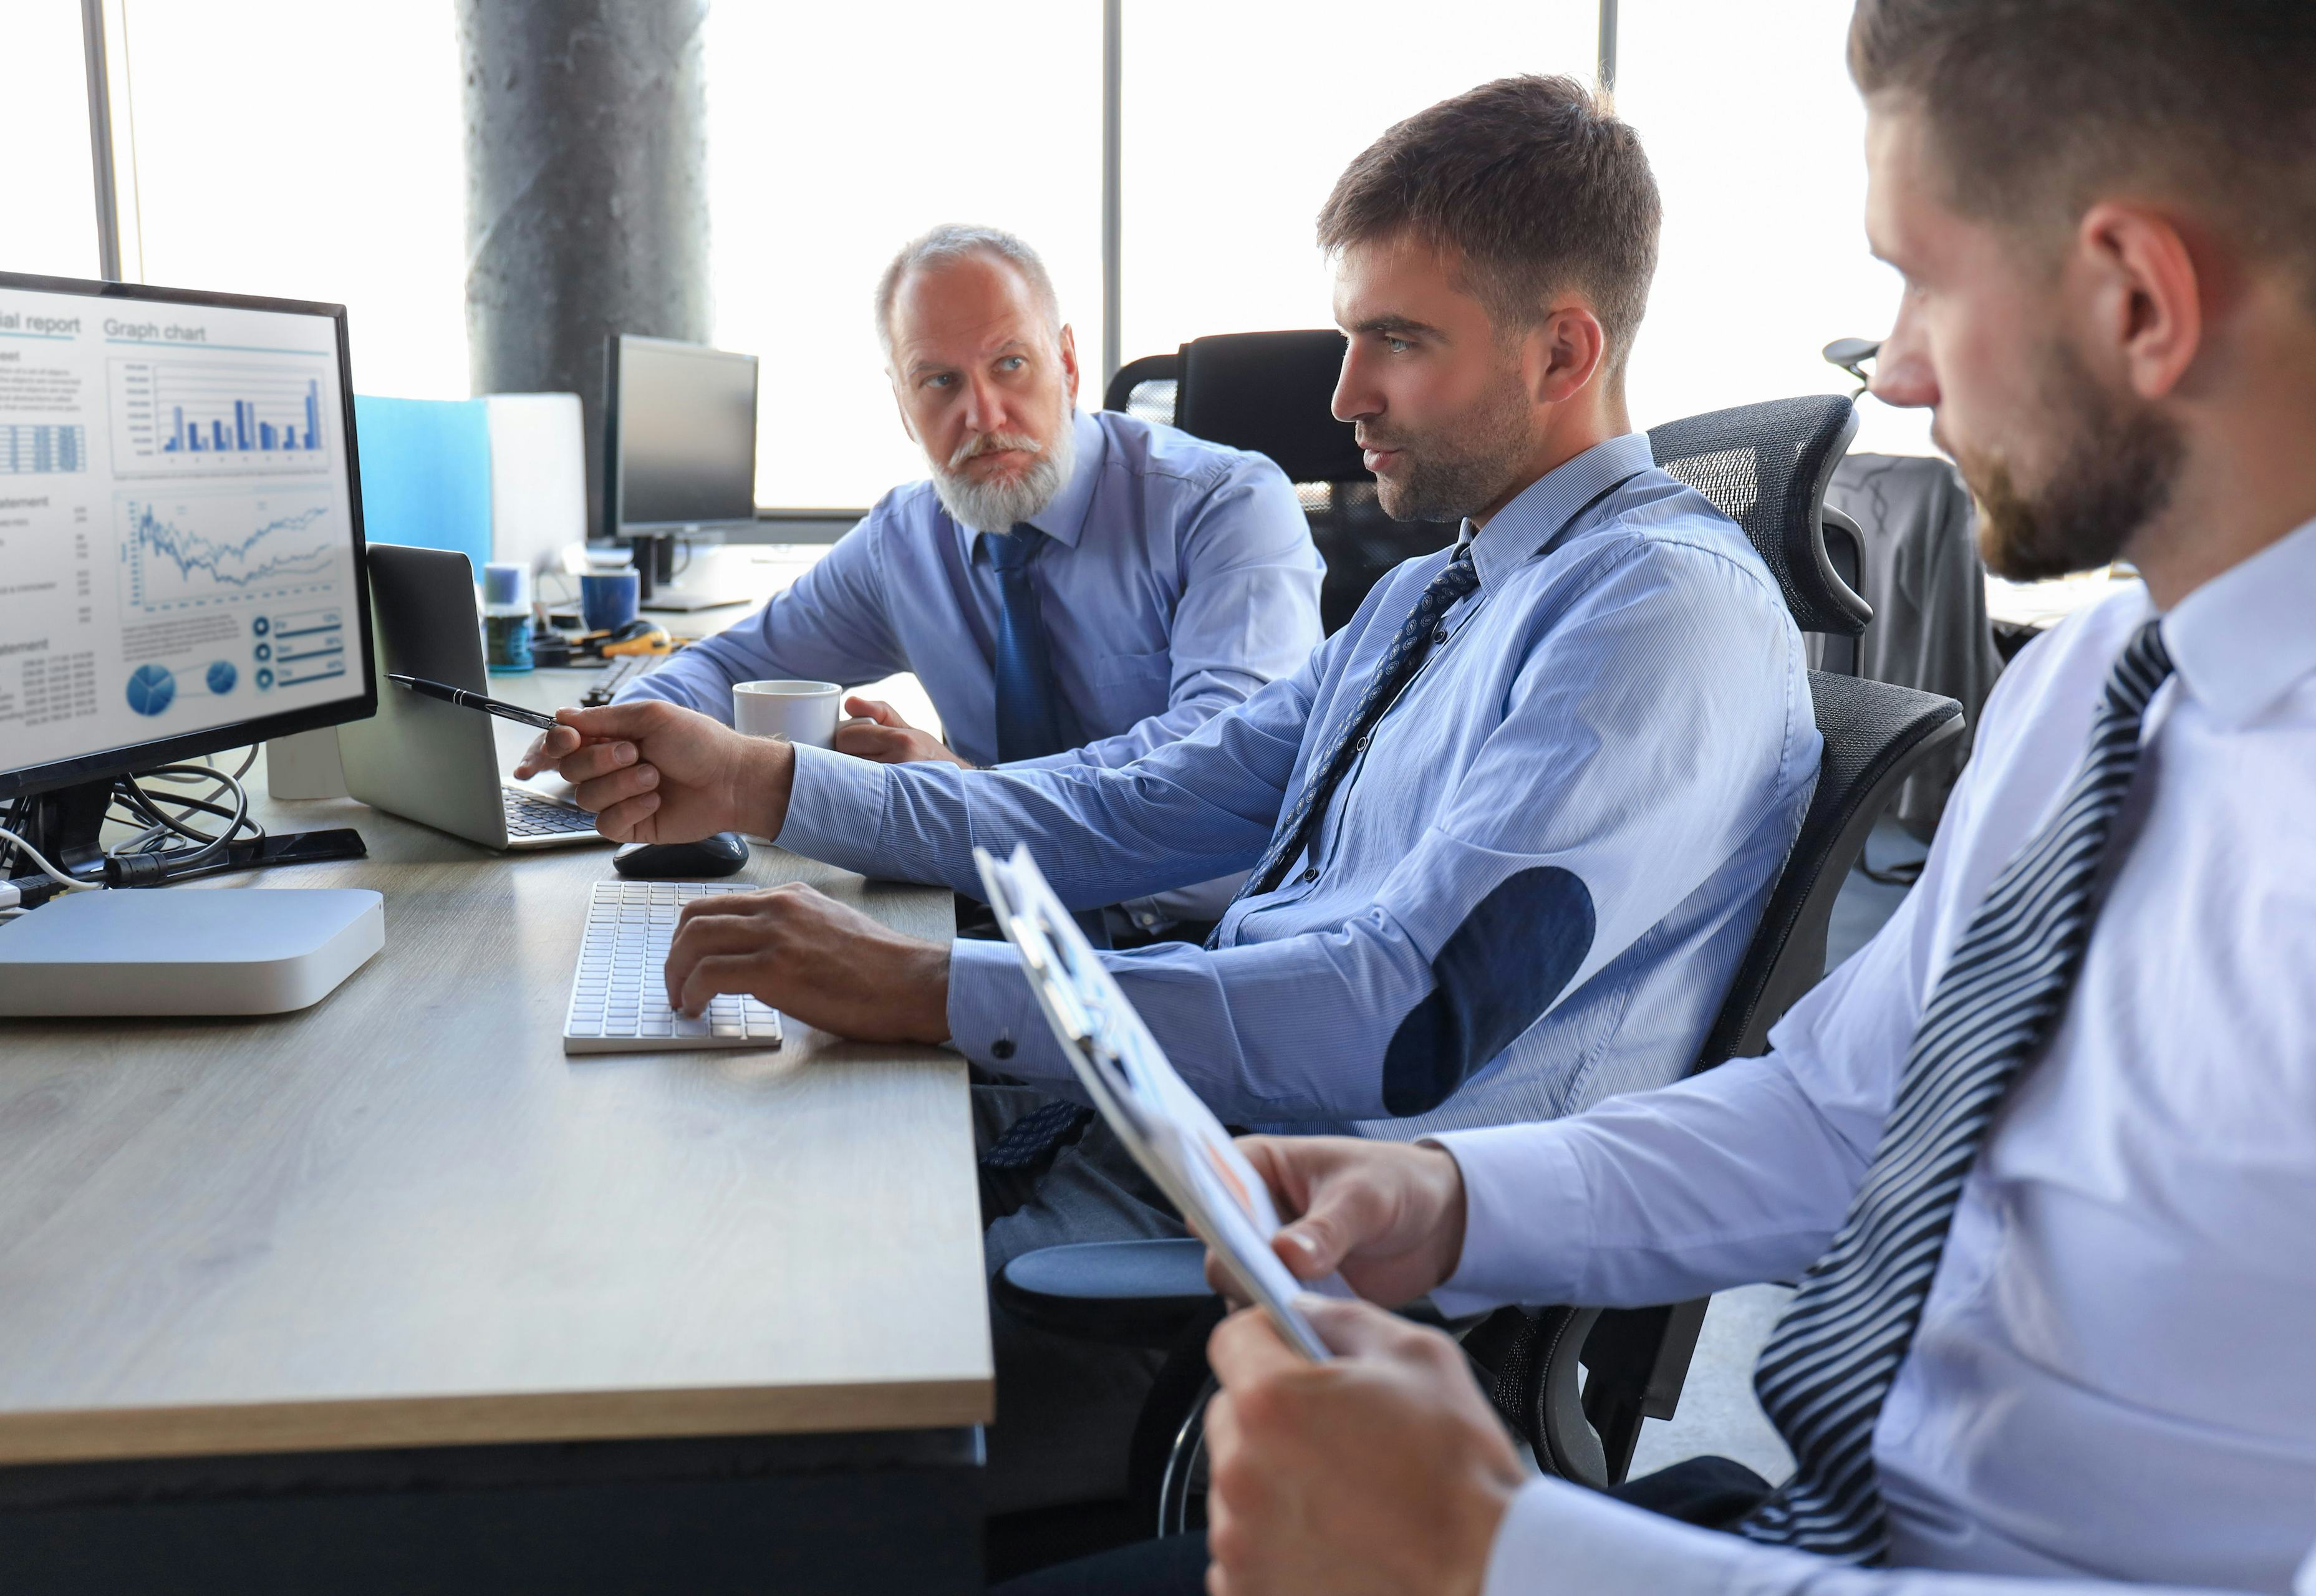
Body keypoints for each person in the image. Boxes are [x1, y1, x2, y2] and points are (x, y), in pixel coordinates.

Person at [1000, 0, 2316, 1590]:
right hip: (1808, 1528)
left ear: (2139, 298)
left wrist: (1501, 1553)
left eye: (1919, 278)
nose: (1907, 372)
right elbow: (1834, 1110)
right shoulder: (2102, 685)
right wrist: (1445, 1191)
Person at [523, 76, 1821, 1512]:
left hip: (1298, 1265)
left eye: (1395, 341)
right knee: (668, 1226)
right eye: (1350, 335)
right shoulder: (1425, 601)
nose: (1342, 397)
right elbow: (1125, 802)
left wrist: (920, 986)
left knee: (692, 1423)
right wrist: (767, 777)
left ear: (1562, 347)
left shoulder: (1651, 617)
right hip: (1167, 1138)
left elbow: (1381, 1022)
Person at [572, 224, 1323, 929]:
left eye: (1010, 364)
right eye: (937, 382)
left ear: (1066, 362)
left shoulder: (1225, 506)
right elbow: (726, 666)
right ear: (901, 404)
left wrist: (958, 788)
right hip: (1010, 925)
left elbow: (1221, 777)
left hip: (1220, 935)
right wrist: (623, 745)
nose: (982, 414)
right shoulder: (903, 541)